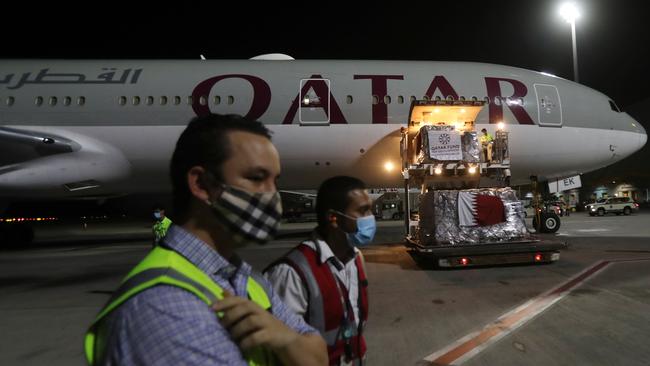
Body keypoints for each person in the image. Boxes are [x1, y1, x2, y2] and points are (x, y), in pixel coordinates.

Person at [85, 114, 327, 366]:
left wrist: (287, 340)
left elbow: (319, 357)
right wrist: (292, 344)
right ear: (201, 184)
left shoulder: (246, 279)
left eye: (275, 181)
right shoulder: (166, 308)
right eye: (256, 178)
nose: (272, 195)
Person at [264, 176, 374, 366]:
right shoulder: (291, 273)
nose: (371, 218)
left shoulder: (357, 259)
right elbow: (283, 350)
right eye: (363, 211)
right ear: (334, 218)